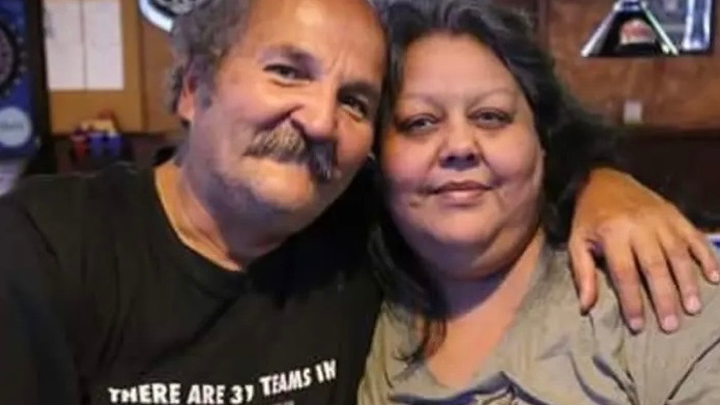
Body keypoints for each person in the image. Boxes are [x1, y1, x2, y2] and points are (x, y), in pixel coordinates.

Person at [0, 0, 715, 404]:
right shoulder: (49, 248)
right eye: (288, 72)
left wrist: (604, 184)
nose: (318, 119)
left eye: (354, 101)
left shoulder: (358, 237)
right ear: (193, 87)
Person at [357, 0, 720, 403]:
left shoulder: (659, 292)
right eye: (420, 122)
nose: (460, 146)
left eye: (490, 116)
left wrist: (602, 180)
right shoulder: (351, 303)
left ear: (544, 141)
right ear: (374, 155)